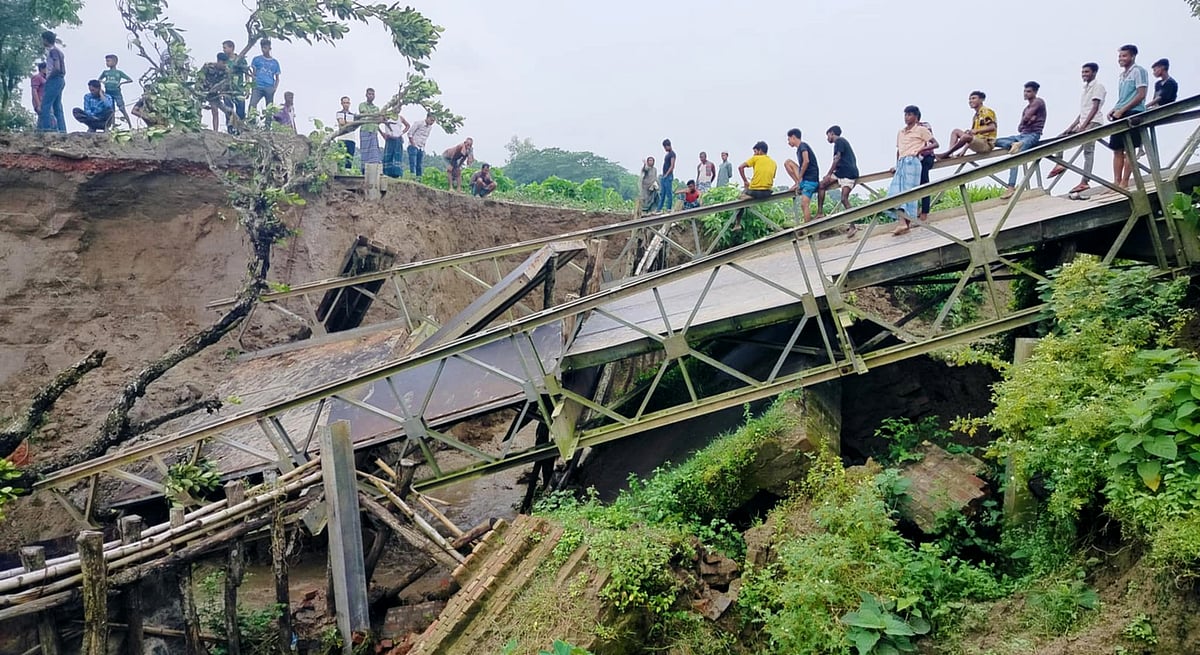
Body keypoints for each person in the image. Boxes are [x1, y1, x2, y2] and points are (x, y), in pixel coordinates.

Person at [1049, 63, 1107, 195]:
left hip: (1093, 122)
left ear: (1094, 72)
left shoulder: (1098, 87)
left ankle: (1085, 182)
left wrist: (1084, 126)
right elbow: (1083, 112)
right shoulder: (1085, 88)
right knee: (1060, 137)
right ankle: (1060, 163)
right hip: (1084, 122)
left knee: (1088, 151)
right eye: (1083, 72)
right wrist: (1071, 127)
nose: (1084, 74)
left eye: (1087, 72)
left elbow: (1094, 108)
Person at [995, 82, 1047, 198]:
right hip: (1021, 135)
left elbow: (1026, 118)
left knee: (1015, 156)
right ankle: (1015, 143)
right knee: (994, 141)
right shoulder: (1026, 108)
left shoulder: (1038, 102)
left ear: (1035, 92)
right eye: (1025, 91)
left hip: (1033, 135)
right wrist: (1027, 119)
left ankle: (1010, 187)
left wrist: (1028, 119)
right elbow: (1020, 126)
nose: (1026, 93)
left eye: (1028, 91)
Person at [1108, 44, 1149, 189]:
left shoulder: (1138, 71)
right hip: (1121, 112)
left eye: (1124, 55)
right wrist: (1115, 109)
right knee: (1116, 148)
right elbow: (1125, 96)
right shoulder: (1122, 76)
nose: (1121, 59)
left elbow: (1141, 94)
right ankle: (1117, 183)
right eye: (1120, 56)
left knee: (1130, 148)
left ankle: (1125, 182)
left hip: (1134, 112)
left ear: (1132, 56)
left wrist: (1123, 109)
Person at [889, 106, 935, 236]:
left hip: (913, 162)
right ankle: (904, 223)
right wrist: (897, 164)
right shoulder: (901, 132)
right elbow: (899, 150)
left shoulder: (921, 129)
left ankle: (904, 223)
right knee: (896, 193)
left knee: (907, 193)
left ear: (916, 117)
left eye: (910, 114)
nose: (907, 117)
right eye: (905, 115)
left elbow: (935, 143)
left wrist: (919, 150)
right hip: (902, 162)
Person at [934, 91, 996, 159]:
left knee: (965, 136)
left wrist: (976, 131)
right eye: (970, 99)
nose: (970, 101)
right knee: (956, 131)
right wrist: (964, 150)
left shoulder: (986, 111)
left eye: (973, 98)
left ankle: (945, 155)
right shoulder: (976, 116)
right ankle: (950, 153)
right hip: (978, 141)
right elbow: (972, 137)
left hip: (986, 144)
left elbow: (992, 127)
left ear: (981, 100)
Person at [816, 126, 860, 219]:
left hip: (847, 173)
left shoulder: (839, 141)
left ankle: (853, 226)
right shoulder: (842, 142)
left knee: (843, 199)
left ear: (832, 133)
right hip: (843, 172)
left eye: (827, 135)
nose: (827, 138)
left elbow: (837, 158)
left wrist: (828, 174)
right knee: (822, 185)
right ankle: (820, 213)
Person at [734, 141, 778, 231]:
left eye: (755, 151)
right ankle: (750, 198)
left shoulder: (756, 158)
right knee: (755, 192)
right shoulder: (773, 163)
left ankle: (737, 224)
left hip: (755, 191)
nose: (754, 154)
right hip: (767, 192)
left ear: (760, 151)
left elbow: (740, 167)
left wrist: (745, 181)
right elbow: (771, 177)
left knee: (740, 198)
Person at [784, 128, 820, 223]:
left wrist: (800, 176)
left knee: (804, 204)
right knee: (788, 162)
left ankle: (807, 228)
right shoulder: (799, 149)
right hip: (805, 178)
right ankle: (797, 183)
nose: (788, 142)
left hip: (810, 180)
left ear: (793, 137)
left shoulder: (803, 146)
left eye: (789, 139)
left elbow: (806, 161)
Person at [38, 31, 66, 133]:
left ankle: (47, 130)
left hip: (54, 79)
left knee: (45, 105)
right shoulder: (59, 52)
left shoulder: (52, 51)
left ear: (45, 39)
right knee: (57, 106)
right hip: (61, 80)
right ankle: (62, 131)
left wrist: (49, 79)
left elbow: (57, 67)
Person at [198, 53, 233, 131]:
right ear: (218, 61)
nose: (224, 65)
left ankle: (215, 131)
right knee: (198, 108)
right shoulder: (207, 66)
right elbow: (199, 78)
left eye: (225, 63)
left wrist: (221, 91)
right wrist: (199, 91)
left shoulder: (226, 71)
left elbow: (227, 84)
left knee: (215, 110)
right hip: (202, 90)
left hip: (214, 93)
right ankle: (197, 125)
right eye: (223, 63)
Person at [98, 54, 132, 126]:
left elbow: (130, 80)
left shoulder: (119, 72)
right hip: (108, 93)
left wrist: (121, 83)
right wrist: (103, 82)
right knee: (111, 110)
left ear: (115, 62)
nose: (107, 63)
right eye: (106, 61)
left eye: (108, 61)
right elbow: (99, 79)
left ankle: (130, 125)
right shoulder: (105, 72)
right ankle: (113, 125)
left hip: (117, 93)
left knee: (122, 108)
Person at [916, 119, 940, 221]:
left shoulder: (924, 126)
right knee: (912, 185)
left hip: (926, 157)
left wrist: (921, 150)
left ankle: (924, 212)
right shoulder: (906, 131)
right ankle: (914, 211)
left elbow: (931, 143)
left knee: (924, 182)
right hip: (914, 158)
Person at [248, 39, 280, 110]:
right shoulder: (256, 59)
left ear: (269, 48)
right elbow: (253, 73)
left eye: (265, 48)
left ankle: (268, 121)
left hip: (269, 87)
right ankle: (251, 120)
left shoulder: (275, 62)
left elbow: (277, 78)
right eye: (262, 48)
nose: (263, 50)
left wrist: (274, 88)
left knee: (269, 108)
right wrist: (252, 84)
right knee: (252, 105)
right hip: (258, 86)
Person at [222, 40, 248, 123]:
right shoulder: (224, 61)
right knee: (228, 111)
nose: (224, 50)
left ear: (231, 48)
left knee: (240, 112)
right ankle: (230, 130)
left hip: (239, 89)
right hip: (227, 90)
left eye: (225, 48)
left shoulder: (241, 60)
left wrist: (247, 87)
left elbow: (246, 73)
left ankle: (240, 129)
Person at [358, 88, 382, 166]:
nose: (371, 96)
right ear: (366, 95)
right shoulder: (362, 105)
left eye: (372, 94)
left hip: (374, 131)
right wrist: (374, 116)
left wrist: (376, 117)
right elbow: (365, 113)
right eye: (369, 94)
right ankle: (364, 169)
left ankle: (374, 168)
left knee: (374, 152)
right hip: (365, 129)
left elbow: (379, 119)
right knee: (365, 151)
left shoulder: (376, 108)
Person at [407, 114, 435, 178]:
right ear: (427, 117)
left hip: (421, 147)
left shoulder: (430, 127)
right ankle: (412, 177)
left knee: (419, 165)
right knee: (413, 163)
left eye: (433, 121)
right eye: (431, 120)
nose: (432, 122)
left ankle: (418, 178)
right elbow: (410, 133)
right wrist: (413, 144)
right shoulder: (418, 123)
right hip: (413, 145)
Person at [335, 96, 357, 169]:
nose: (346, 104)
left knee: (349, 159)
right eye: (344, 103)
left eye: (347, 103)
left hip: (351, 139)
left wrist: (349, 124)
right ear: (341, 104)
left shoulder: (352, 115)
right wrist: (351, 123)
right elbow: (342, 122)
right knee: (340, 159)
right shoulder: (339, 113)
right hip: (342, 138)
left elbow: (354, 125)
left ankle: (348, 173)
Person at [659, 139, 677, 212]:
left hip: (668, 176)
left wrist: (666, 174)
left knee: (668, 193)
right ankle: (659, 208)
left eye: (665, 147)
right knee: (662, 193)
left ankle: (668, 208)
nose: (665, 149)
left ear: (668, 146)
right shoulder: (667, 154)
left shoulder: (672, 154)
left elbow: (672, 166)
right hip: (664, 176)